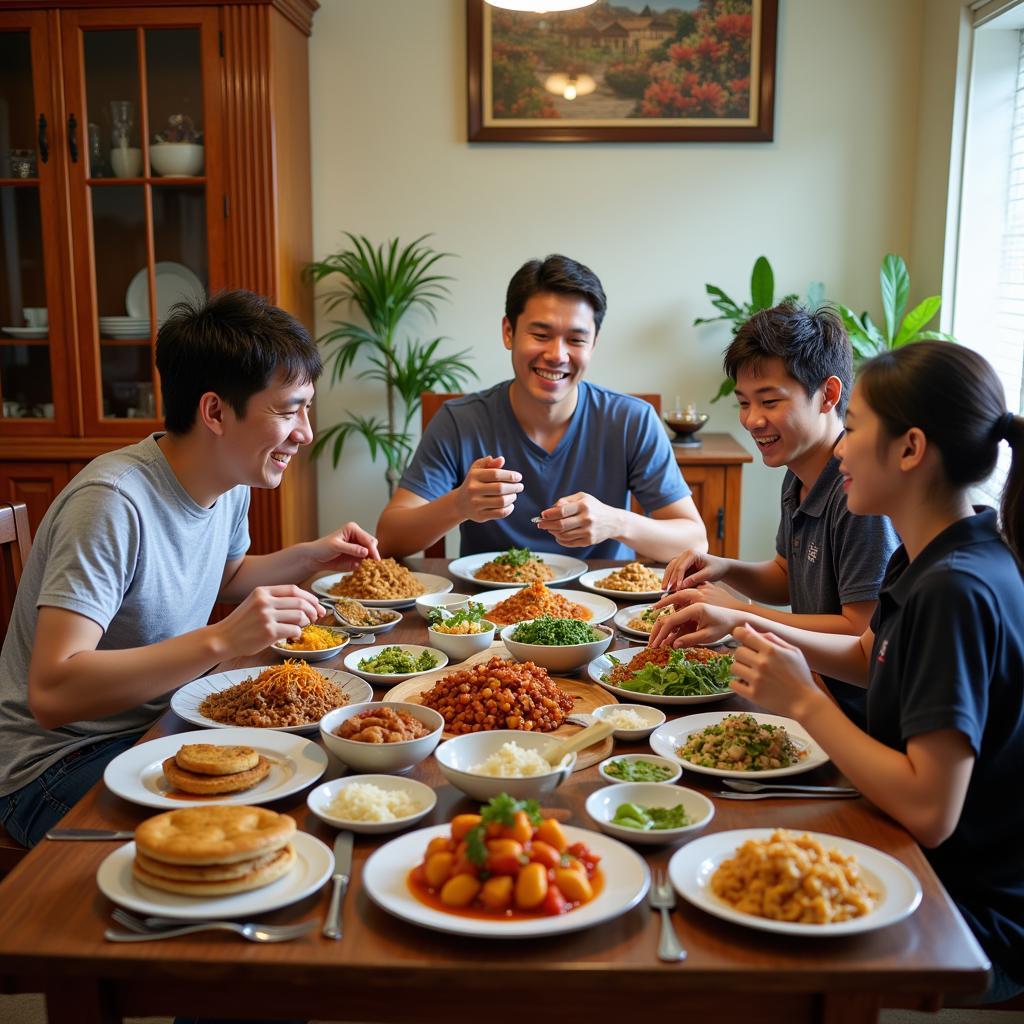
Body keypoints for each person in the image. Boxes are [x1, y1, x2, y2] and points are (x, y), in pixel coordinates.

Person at [653, 341, 1024, 1003]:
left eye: (852, 428)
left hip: (961, 915)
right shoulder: (935, 551)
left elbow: (931, 810)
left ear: (910, 450)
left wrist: (805, 705)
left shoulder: (957, 590)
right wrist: (745, 625)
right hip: (913, 856)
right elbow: (865, 655)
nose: (841, 451)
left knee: (717, 957)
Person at [0, 290, 380, 848]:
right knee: (242, 840)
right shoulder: (111, 502)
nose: (304, 432)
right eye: (288, 409)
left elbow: (221, 576)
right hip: (58, 761)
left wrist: (308, 556)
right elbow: (53, 693)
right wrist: (221, 639)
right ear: (215, 412)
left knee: (325, 775)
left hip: (160, 728)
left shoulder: (227, 481)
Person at [655, 302, 899, 727]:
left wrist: (739, 615)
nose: (752, 420)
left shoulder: (858, 496)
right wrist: (722, 567)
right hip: (805, 681)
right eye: (744, 403)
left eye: (770, 401)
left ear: (829, 394)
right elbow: (787, 574)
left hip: (848, 712)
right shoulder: (798, 473)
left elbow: (859, 633)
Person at [375, 254, 707, 561]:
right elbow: (389, 538)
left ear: (593, 344)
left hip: (604, 616)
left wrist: (617, 522)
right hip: (487, 617)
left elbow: (695, 542)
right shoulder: (461, 421)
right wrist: (459, 503)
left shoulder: (631, 420)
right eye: (541, 334)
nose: (557, 355)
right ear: (509, 332)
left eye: (576, 340)